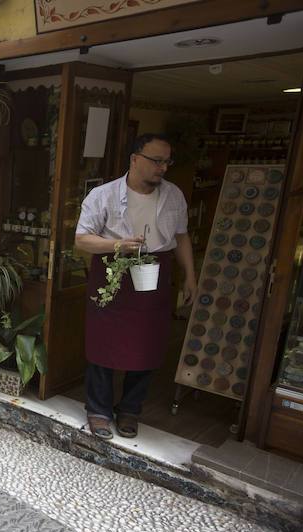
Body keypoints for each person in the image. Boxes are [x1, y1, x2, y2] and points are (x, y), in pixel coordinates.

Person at [74, 133, 197, 440]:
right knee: (103, 343)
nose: (163, 168)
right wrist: (117, 245)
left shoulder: (174, 195)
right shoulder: (102, 195)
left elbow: (181, 237)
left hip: (155, 272)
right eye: (157, 161)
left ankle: (130, 409)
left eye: (167, 162)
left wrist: (191, 276)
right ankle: (98, 410)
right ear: (135, 159)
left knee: (149, 345)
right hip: (111, 274)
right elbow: (82, 239)